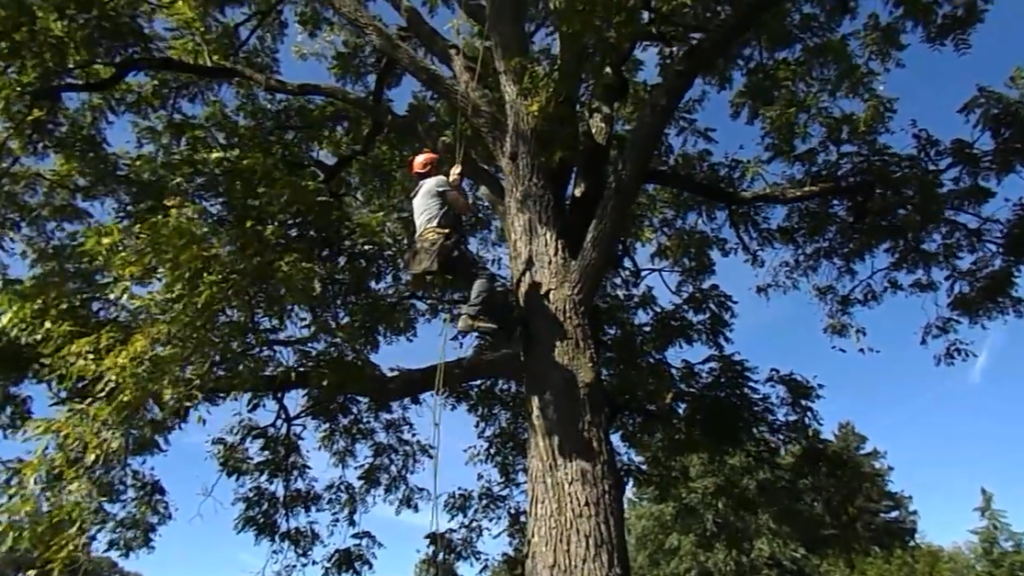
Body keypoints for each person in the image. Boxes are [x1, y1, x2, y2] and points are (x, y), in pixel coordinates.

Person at [406, 149, 501, 334]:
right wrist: (456, 184)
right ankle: (470, 316)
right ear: (432, 168)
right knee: (484, 276)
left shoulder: (418, 194)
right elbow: (464, 208)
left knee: (473, 282)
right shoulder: (437, 182)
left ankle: (491, 317)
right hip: (440, 243)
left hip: (425, 249)